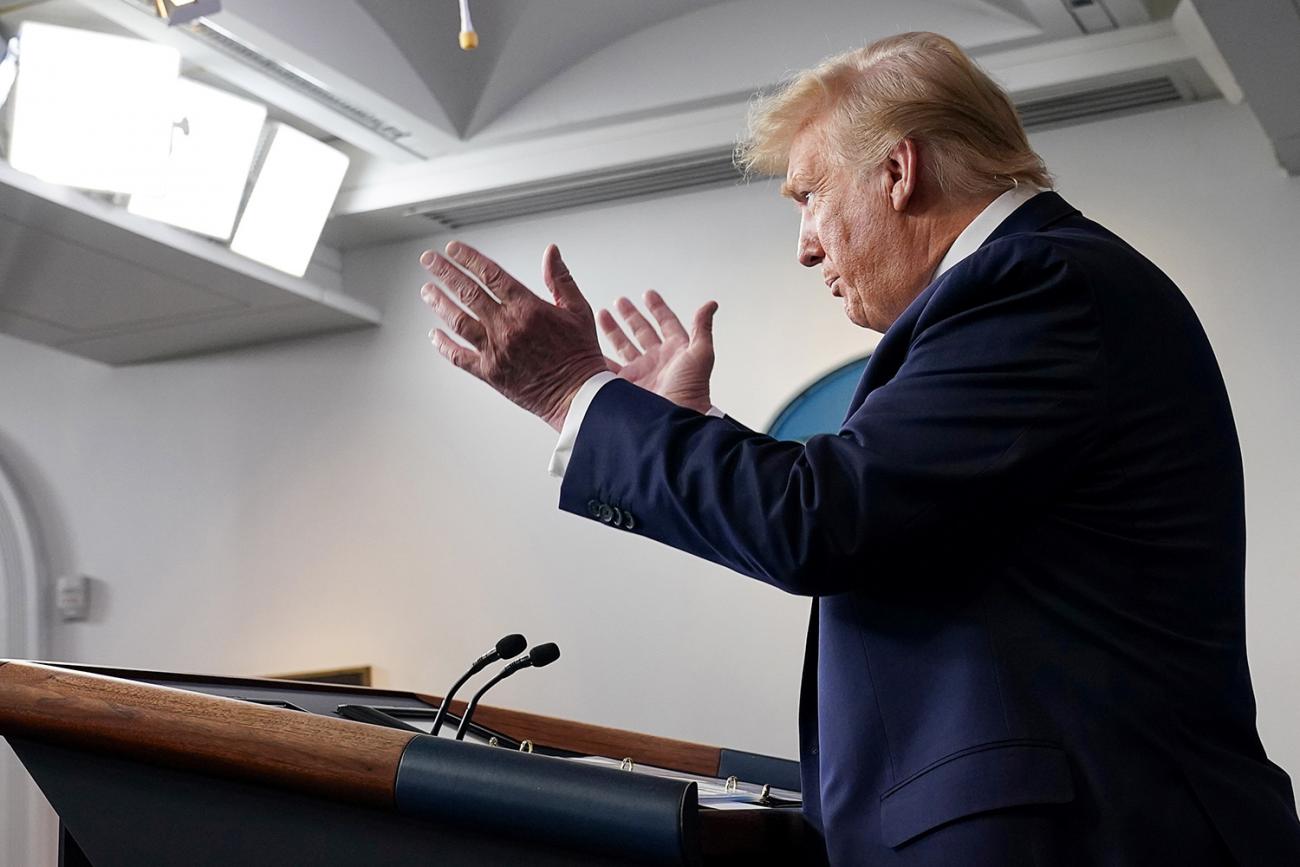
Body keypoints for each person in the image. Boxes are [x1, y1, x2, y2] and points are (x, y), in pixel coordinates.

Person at [417, 31, 1300, 866]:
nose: (805, 247)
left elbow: (823, 519)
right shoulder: (1043, 284)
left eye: (807, 196)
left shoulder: (1039, 282)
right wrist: (691, 427)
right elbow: (877, 513)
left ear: (897, 169)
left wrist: (573, 389)